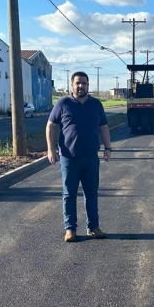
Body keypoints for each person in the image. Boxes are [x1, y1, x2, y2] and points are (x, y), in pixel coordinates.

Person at [46, 71, 112, 242]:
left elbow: (103, 127)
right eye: (78, 83)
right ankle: (70, 229)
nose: (81, 86)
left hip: (91, 157)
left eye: (84, 83)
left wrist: (108, 148)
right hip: (69, 157)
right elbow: (51, 126)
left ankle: (93, 227)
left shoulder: (96, 104)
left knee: (91, 193)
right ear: (72, 85)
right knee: (69, 194)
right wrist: (51, 149)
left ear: (88, 85)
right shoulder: (63, 103)